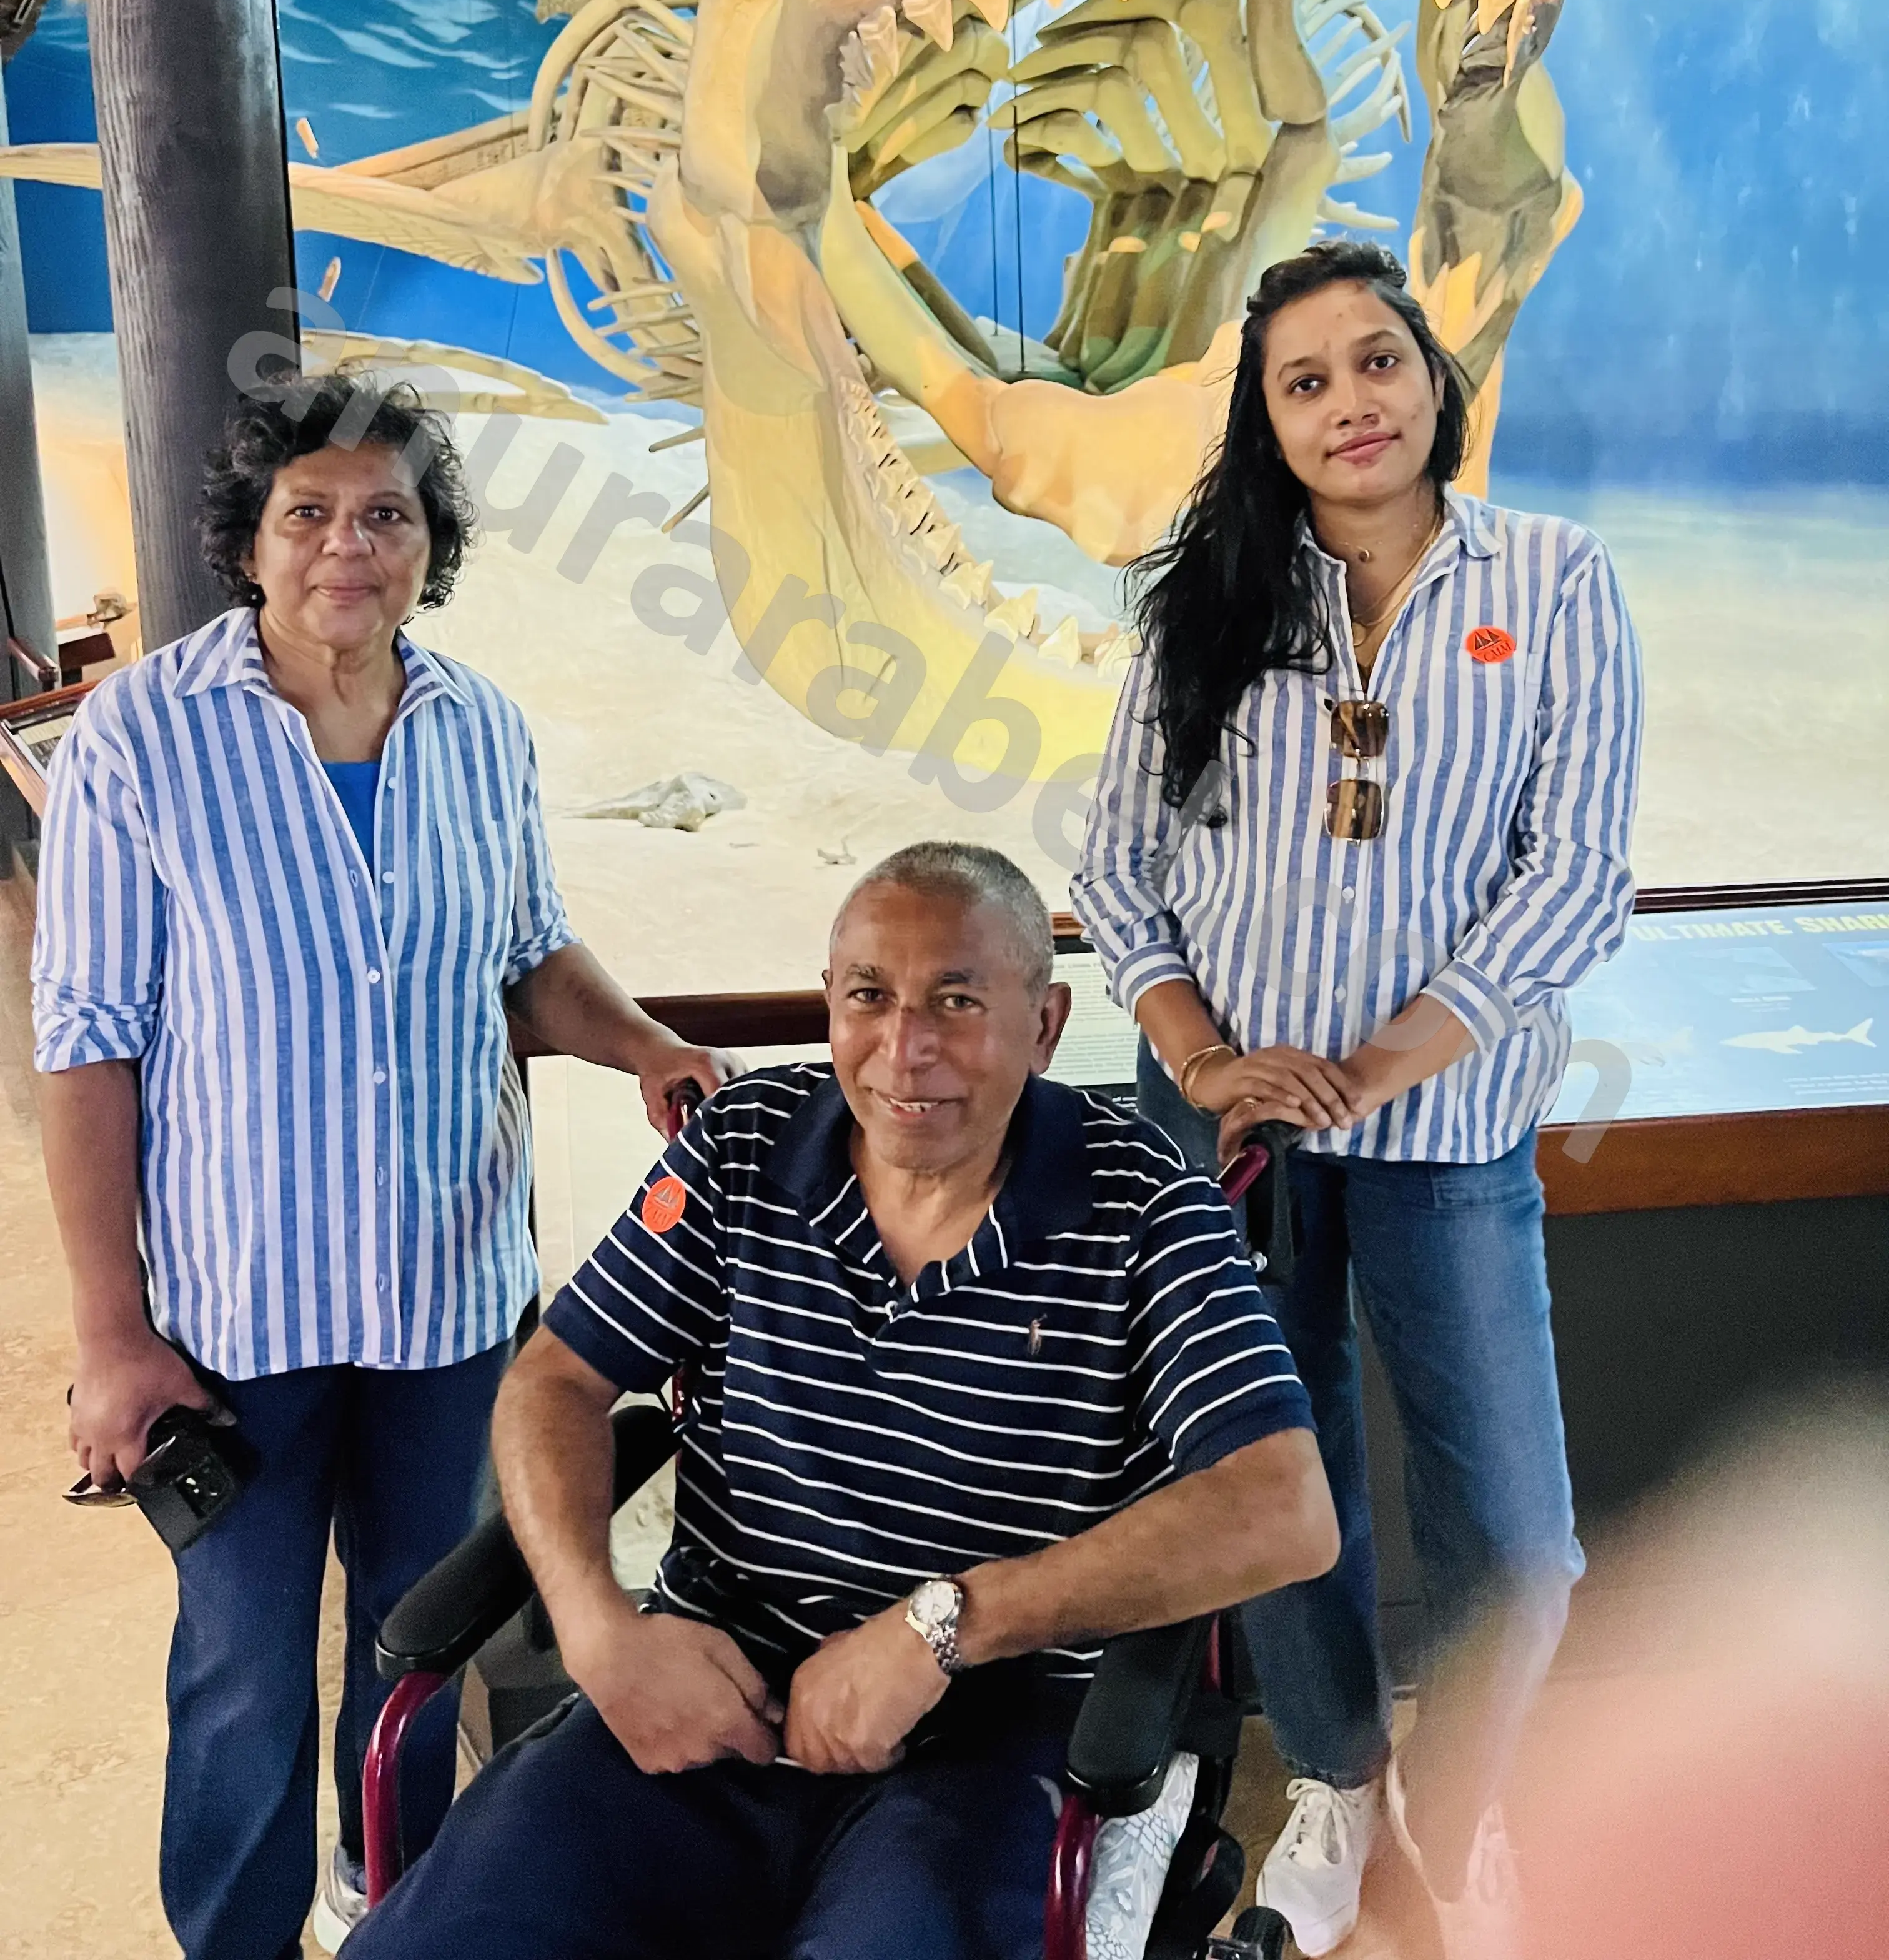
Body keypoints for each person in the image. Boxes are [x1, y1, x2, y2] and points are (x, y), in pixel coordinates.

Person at [31, 377, 735, 1960]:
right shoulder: (143, 736)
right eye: (310, 514)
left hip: (449, 1297)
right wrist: (110, 1335)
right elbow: (85, 1042)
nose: (348, 545)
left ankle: (394, 1905)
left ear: (431, 547)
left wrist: (645, 1046)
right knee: (244, 1668)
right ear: (250, 543)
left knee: (421, 1641)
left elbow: (530, 956)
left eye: (388, 516)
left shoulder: (479, 728)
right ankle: (234, 1939)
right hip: (236, 1313)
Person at [346, 841, 1339, 1960]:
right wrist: (595, 1628)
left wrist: (941, 1630)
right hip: (707, 1696)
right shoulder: (740, 1147)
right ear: (830, 1001)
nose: (904, 1050)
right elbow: (559, 1377)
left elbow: (1286, 1508)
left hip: (986, 1748)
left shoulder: (1144, 1206)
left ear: (1047, 1024)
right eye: (869, 997)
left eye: (957, 1001)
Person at [1071, 241, 1644, 1960]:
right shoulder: (1209, 601)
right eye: (1304, 382)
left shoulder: (1554, 579)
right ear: (1266, 420)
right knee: (1281, 1489)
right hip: (1232, 1139)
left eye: (1376, 362)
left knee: (1523, 1547)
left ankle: (1451, 1811)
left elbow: (1578, 875)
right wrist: (1197, 1057)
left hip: (1446, 1138)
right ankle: (1332, 1780)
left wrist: (1390, 1055)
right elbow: (1118, 868)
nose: (1350, 404)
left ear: (1432, 378)